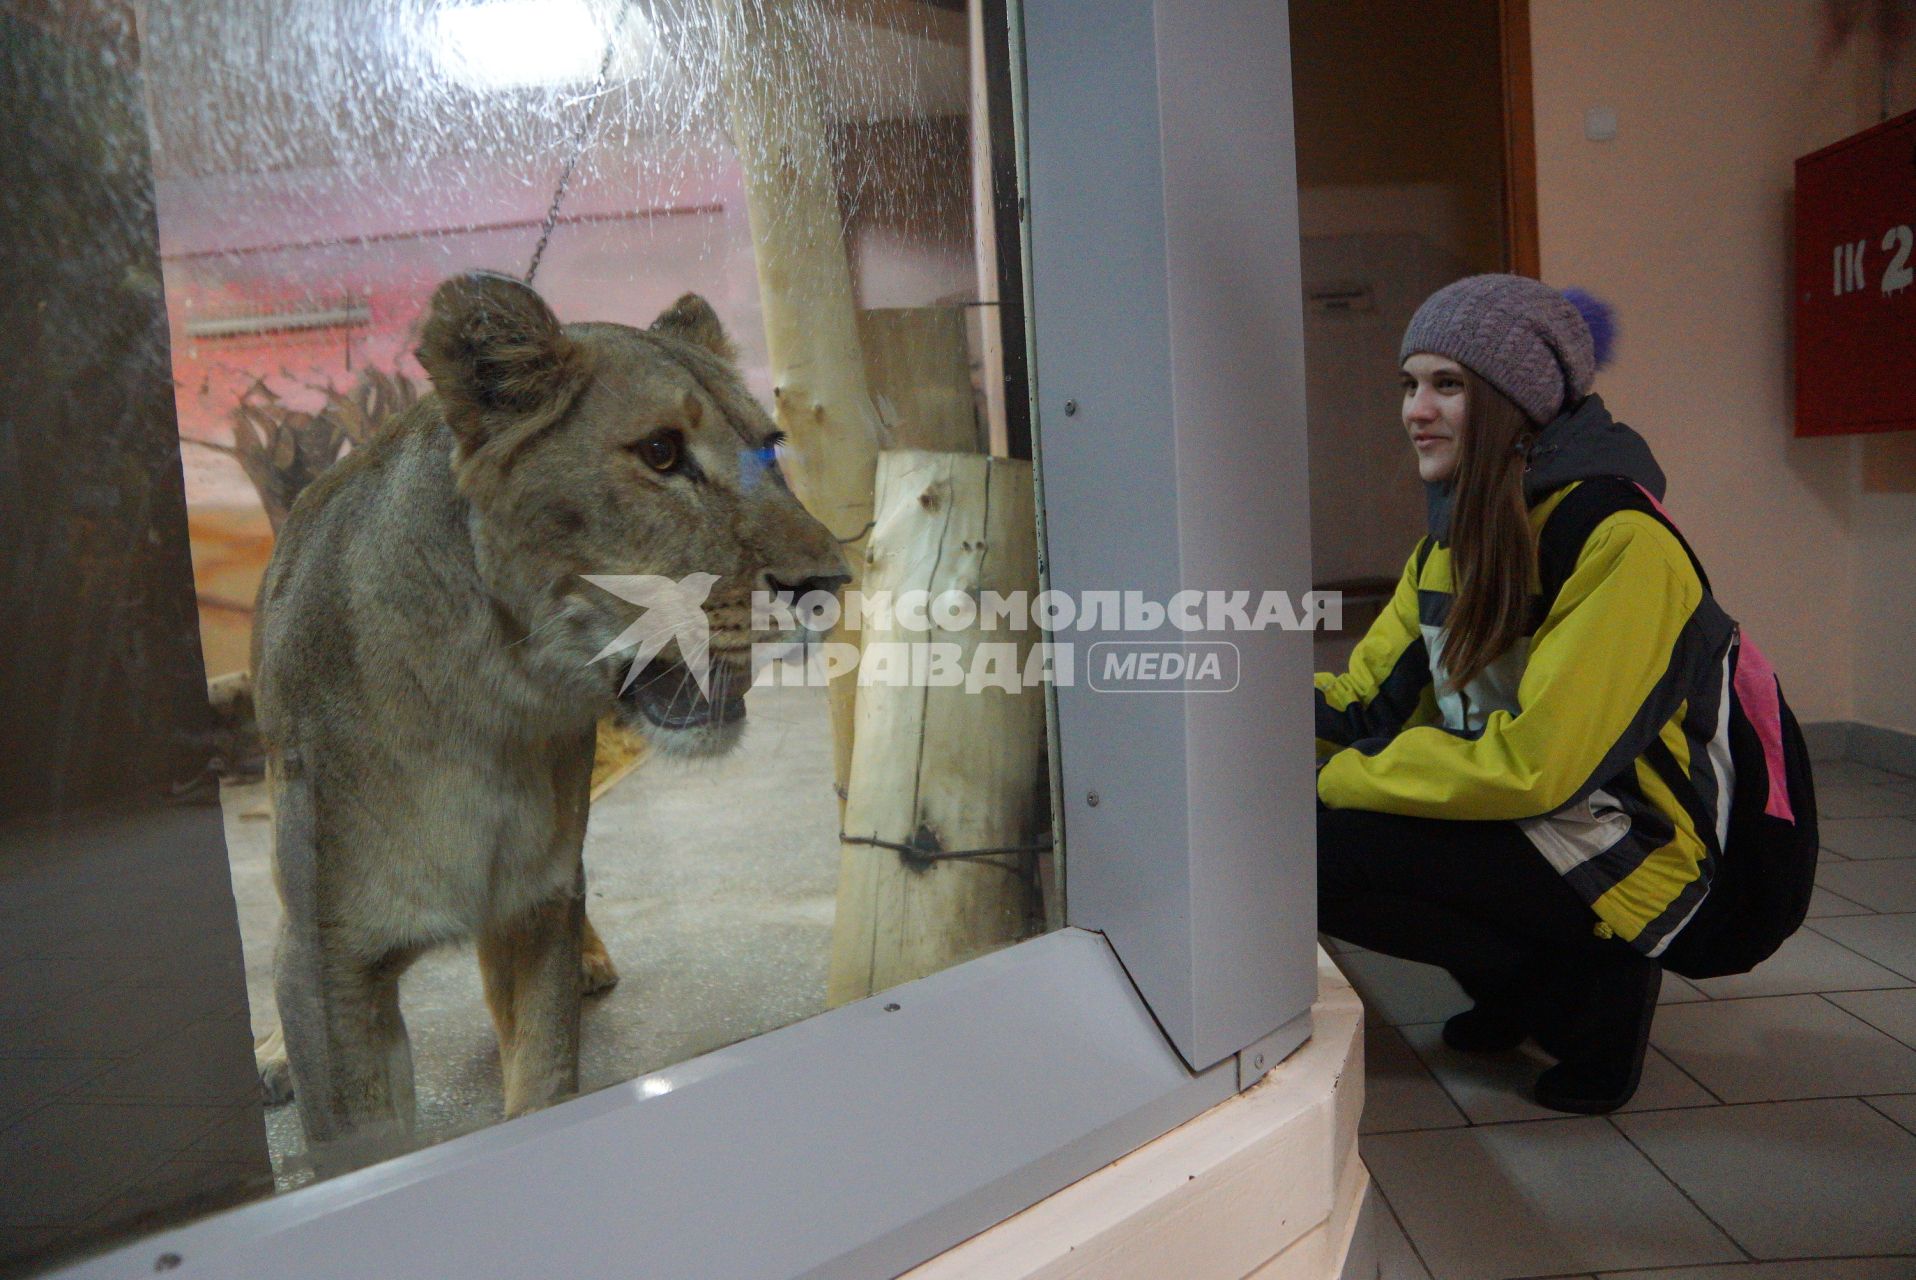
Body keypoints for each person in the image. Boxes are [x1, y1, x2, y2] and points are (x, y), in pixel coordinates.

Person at [1314, 273, 1738, 1115]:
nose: (1415, 411)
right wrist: (1236, 715)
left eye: (1448, 386)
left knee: (1322, 846)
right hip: (1531, 818)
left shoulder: (1621, 541)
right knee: (1300, 840)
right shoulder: (1455, 540)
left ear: (1518, 403)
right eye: (1410, 384)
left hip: (1628, 845)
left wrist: (1335, 779)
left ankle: (1600, 986)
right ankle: (1529, 981)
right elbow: (1367, 703)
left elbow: (1539, 767)